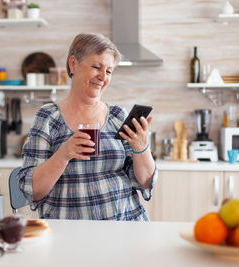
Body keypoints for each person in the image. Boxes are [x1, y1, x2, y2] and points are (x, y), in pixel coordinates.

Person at [17, 33, 158, 221]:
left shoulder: (117, 115)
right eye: (96, 67)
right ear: (73, 64)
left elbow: (145, 182)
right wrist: (63, 154)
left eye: (108, 71)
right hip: (70, 234)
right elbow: (32, 191)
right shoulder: (49, 118)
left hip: (126, 225)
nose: (102, 77)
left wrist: (142, 148)